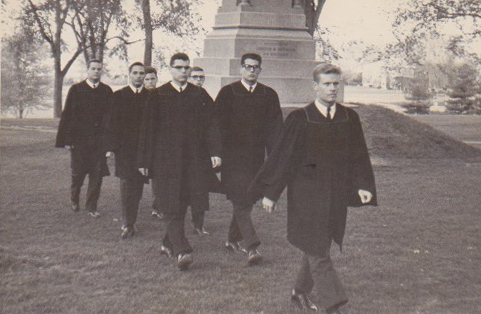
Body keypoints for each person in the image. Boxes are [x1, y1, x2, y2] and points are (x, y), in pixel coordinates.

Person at [249, 63, 377, 314]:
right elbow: (283, 158)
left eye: (336, 84)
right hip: (306, 195)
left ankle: (299, 291)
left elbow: (359, 154)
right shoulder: (300, 118)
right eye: (327, 84)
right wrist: (271, 194)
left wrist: (363, 185)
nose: (332, 89)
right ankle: (333, 304)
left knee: (318, 244)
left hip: (335, 194)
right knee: (318, 250)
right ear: (315, 86)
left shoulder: (349, 117)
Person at [138, 53, 222, 271]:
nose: (183, 71)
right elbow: (147, 130)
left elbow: (213, 124)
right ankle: (182, 250)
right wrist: (144, 160)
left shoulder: (200, 94)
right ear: (171, 69)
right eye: (179, 67)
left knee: (184, 200)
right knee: (170, 203)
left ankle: (168, 243)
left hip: (193, 159)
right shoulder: (158, 95)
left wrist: (215, 152)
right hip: (165, 160)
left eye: (186, 67)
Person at [215, 52, 283, 265]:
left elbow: (275, 129)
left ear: (260, 70)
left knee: (247, 199)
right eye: (247, 66)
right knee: (241, 199)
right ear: (240, 69)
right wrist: (216, 153)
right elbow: (216, 126)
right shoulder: (228, 93)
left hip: (256, 159)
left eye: (255, 67)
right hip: (232, 158)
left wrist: (274, 157)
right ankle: (252, 246)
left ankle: (231, 239)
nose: (251, 70)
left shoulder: (268, 95)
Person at [55, 59, 113, 218]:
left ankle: (91, 207)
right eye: (93, 68)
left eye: (99, 69)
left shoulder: (107, 91)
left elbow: (110, 119)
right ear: (88, 70)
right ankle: (74, 198)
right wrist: (67, 140)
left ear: (101, 71)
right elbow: (68, 114)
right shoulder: (76, 89)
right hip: (79, 142)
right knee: (78, 174)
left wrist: (108, 144)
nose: (96, 71)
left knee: (97, 176)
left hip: (98, 142)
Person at [103, 62, 149, 238]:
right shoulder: (119, 96)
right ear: (129, 74)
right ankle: (127, 223)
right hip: (125, 150)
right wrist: (110, 148)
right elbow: (111, 123)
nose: (138, 76)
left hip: (143, 150)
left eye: (141, 73)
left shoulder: (150, 97)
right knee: (126, 184)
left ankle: (131, 220)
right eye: (135, 73)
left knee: (137, 187)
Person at [187, 66, 213, 235]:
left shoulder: (205, 97)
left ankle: (198, 224)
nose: (198, 80)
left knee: (200, 189)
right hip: (182, 151)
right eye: (195, 77)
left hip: (200, 152)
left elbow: (213, 124)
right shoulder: (182, 95)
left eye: (201, 77)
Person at [143, 66, 163, 220]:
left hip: (158, 143)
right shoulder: (140, 97)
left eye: (152, 79)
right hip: (143, 141)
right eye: (147, 79)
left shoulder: (161, 96)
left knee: (158, 177)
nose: (150, 82)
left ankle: (157, 206)